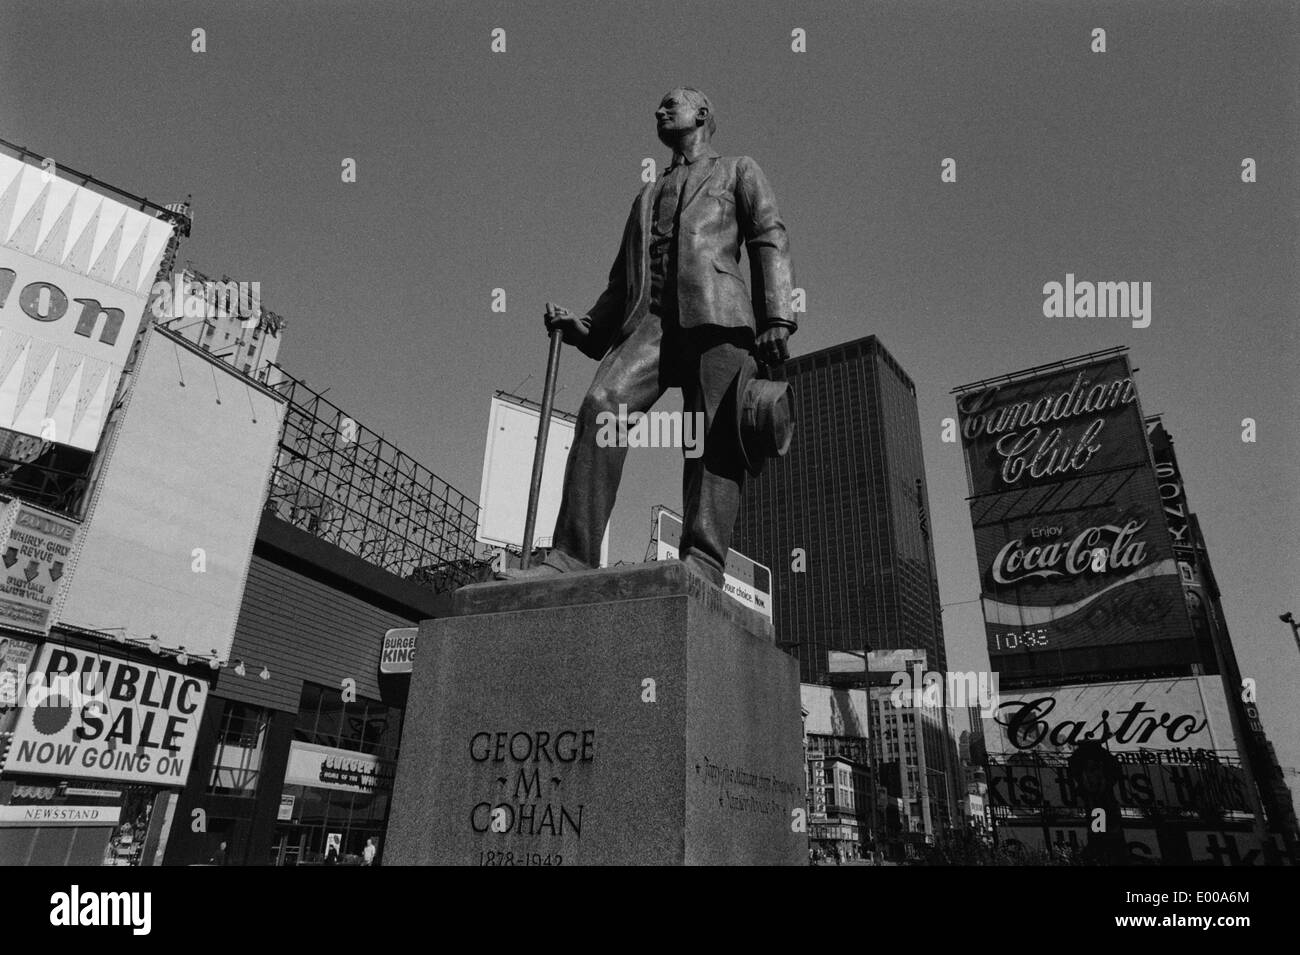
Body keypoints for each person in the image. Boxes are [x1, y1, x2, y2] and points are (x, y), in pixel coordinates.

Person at [499, 87, 796, 587]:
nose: (659, 111)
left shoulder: (739, 169)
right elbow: (622, 283)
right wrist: (588, 328)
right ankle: (573, 554)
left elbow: (769, 235)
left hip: (717, 317)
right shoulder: (645, 196)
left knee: (708, 439)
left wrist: (776, 319)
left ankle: (703, 560)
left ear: (701, 114)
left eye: (670, 103)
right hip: (653, 323)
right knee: (602, 405)